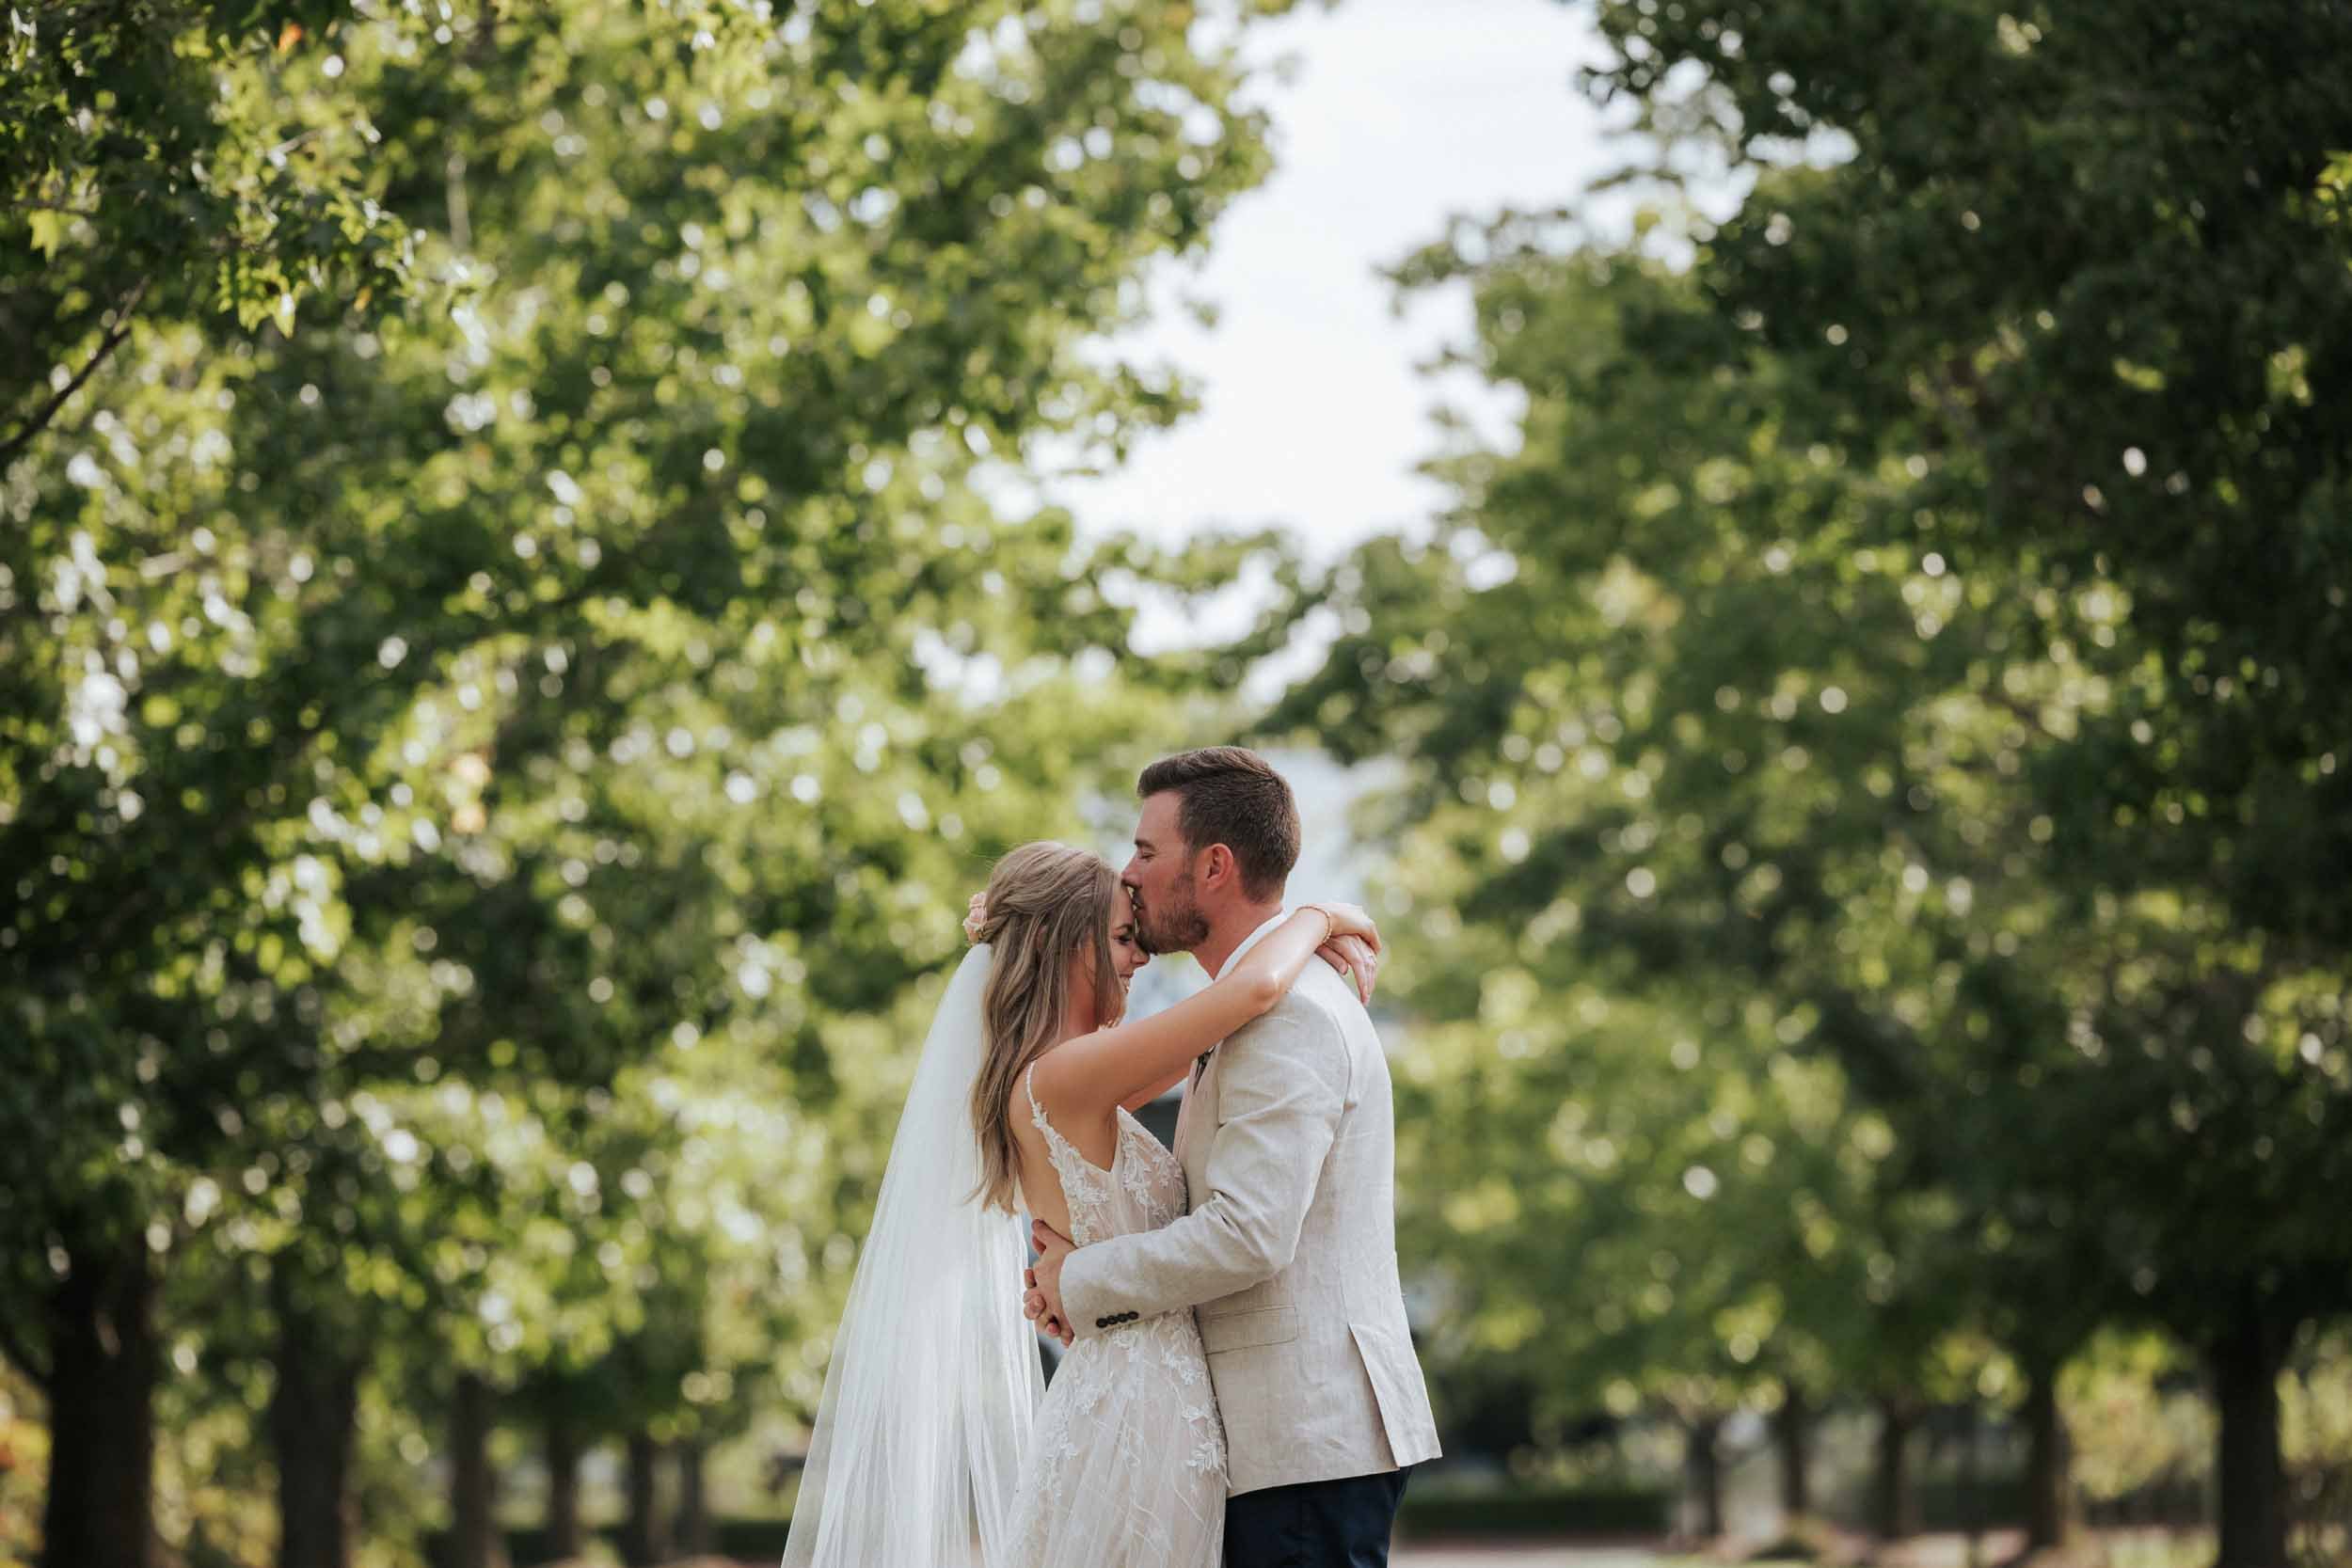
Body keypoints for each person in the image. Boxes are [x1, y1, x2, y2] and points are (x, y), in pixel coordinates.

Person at [779, 824, 1384, 1568]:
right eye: (1124, 938)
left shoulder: (1063, 1077)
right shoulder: (1067, 1077)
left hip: (1134, 1386)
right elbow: (1251, 992)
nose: (1138, 958)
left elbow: (1213, 1040)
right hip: (1144, 1399)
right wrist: (1318, 918)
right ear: (1069, 945)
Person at [1027, 746, 1442, 1567]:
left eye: (1147, 851)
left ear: (1213, 866)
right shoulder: (1239, 1012)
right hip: (1267, 1448)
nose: (1130, 873)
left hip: (1303, 1443)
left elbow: (1248, 1232)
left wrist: (1077, 1282)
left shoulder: (1285, 1015)